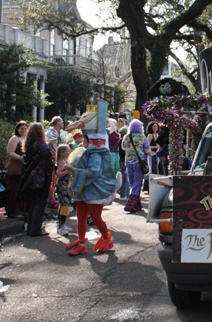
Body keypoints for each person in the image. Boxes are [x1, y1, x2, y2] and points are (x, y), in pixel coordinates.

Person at [63, 102, 116, 255]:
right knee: (80, 216)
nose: (81, 140)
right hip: (84, 189)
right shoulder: (86, 151)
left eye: (84, 138)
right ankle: (81, 244)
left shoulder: (95, 154)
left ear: (89, 139)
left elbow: (92, 172)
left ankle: (107, 238)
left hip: (94, 190)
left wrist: (73, 170)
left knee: (95, 217)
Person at [22, 123, 54, 237]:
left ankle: (30, 228)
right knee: (40, 205)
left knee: (33, 204)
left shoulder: (29, 146)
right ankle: (36, 229)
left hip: (29, 179)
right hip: (41, 179)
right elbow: (49, 164)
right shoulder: (43, 147)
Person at [121, 119, 151, 212]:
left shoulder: (126, 137)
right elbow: (148, 150)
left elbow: (123, 147)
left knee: (132, 182)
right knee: (137, 183)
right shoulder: (142, 137)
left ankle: (137, 205)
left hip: (128, 162)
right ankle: (130, 204)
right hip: (139, 163)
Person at [5, 121, 29, 218]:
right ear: (17, 129)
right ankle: (14, 211)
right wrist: (20, 158)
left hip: (24, 167)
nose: (23, 130)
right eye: (21, 129)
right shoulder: (15, 138)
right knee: (15, 188)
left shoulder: (26, 139)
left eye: (25, 128)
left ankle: (23, 210)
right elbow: (10, 152)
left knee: (23, 188)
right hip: (16, 166)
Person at [54, 144, 76, 236]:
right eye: (67, 150)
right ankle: (61, 227)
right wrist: (69, 170)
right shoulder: (61, 162)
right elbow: (58, 174)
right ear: (62, 153)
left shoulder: (65, 161)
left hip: (66, 185)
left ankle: (62, 225)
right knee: (65, 205)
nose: (69, 152)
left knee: (64, 204)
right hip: (62, 186)